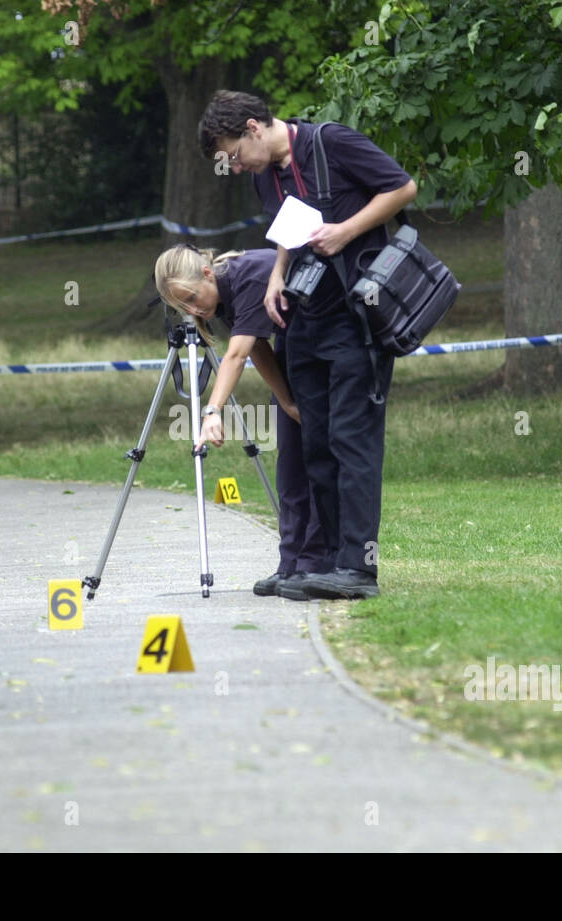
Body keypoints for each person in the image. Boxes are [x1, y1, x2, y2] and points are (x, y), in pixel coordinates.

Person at [197, 90, 417, 599]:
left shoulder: (330, 143)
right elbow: (287, 232)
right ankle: (324, 563)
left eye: (231, 154)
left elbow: (401, 188)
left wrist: (346, 231)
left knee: (351, 441)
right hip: (304, 320)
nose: (232, 167)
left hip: (356, 317)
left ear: (254, 127)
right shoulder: (265, 176)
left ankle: (359, 569)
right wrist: (277, 275)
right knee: (315, 445)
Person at [154, 243, 327, 600]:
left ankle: (314, 565)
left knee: (318, 466)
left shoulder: (248, 277)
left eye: (190, 298)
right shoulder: (223, 295)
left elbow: (237, 354)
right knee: (290, 470)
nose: (192, 310)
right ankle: (289, 564)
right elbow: (259, 347)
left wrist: (212, 411)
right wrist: (285, 401)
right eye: (181, 307)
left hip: (324, 348)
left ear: (206, 273)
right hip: (293, 351)